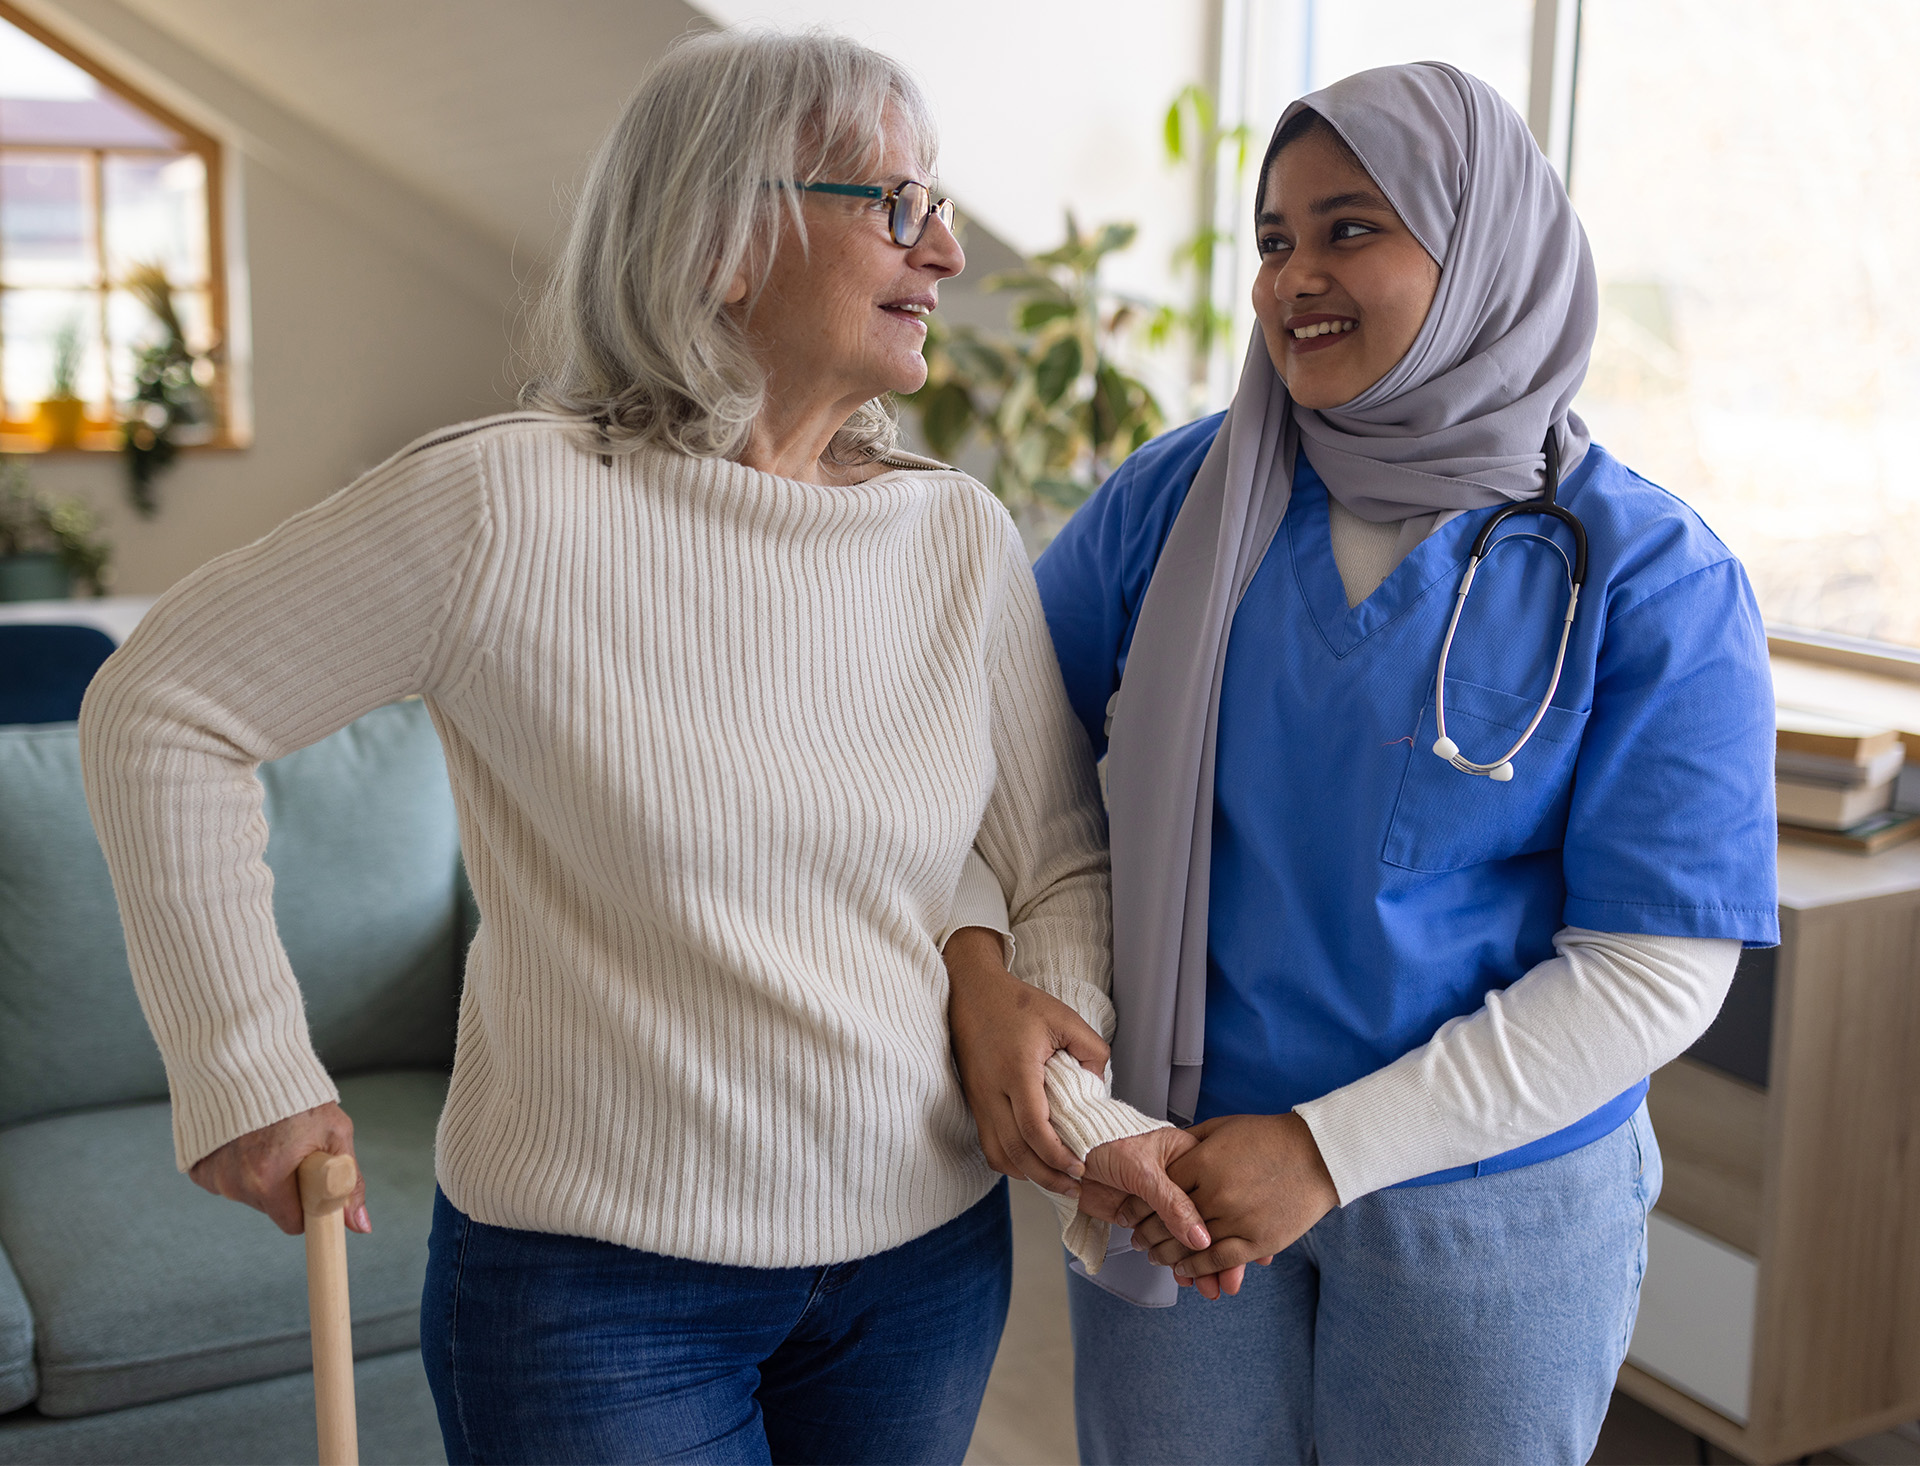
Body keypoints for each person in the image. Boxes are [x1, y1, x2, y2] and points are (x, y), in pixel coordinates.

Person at [79, 31, 1197, 1466]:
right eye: (901, 204)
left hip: (923, 1267)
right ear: (729, 238)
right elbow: (160, 704)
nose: (952, 252)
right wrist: (247, 1065)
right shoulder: (501, 507)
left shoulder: (955, 535)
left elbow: (1053, 863)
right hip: (592, 1296)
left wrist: (1080, 1105)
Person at [948, 61, 1778, 1465]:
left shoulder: (1653, 576)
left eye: (1351, 228)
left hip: (1487, 1205)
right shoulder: (1176, 502)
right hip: (1180, 1169)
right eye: (1275, 238)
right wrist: (982, 964)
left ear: (1484, 254)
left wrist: (1329, 1148)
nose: (1295, 278)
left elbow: (1658, 966)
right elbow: (997, 761)